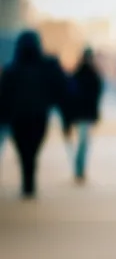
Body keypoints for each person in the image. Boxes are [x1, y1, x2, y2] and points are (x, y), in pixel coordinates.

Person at [0, 30, 68, 198]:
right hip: (38, 116)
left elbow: (4, 95)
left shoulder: (12, 69)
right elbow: (61, 89)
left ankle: (27, 181)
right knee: (32, 150)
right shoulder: (47, 66)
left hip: (18, 117)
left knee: (24, 151)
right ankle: (29, 181)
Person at [69, 47, 103, 183]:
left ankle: (79, 168)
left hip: (83, 113)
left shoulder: (82, 74)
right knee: (83, 142)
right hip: (83, 113)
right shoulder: (89, 74)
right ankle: (79, 168)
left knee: (83, 142)